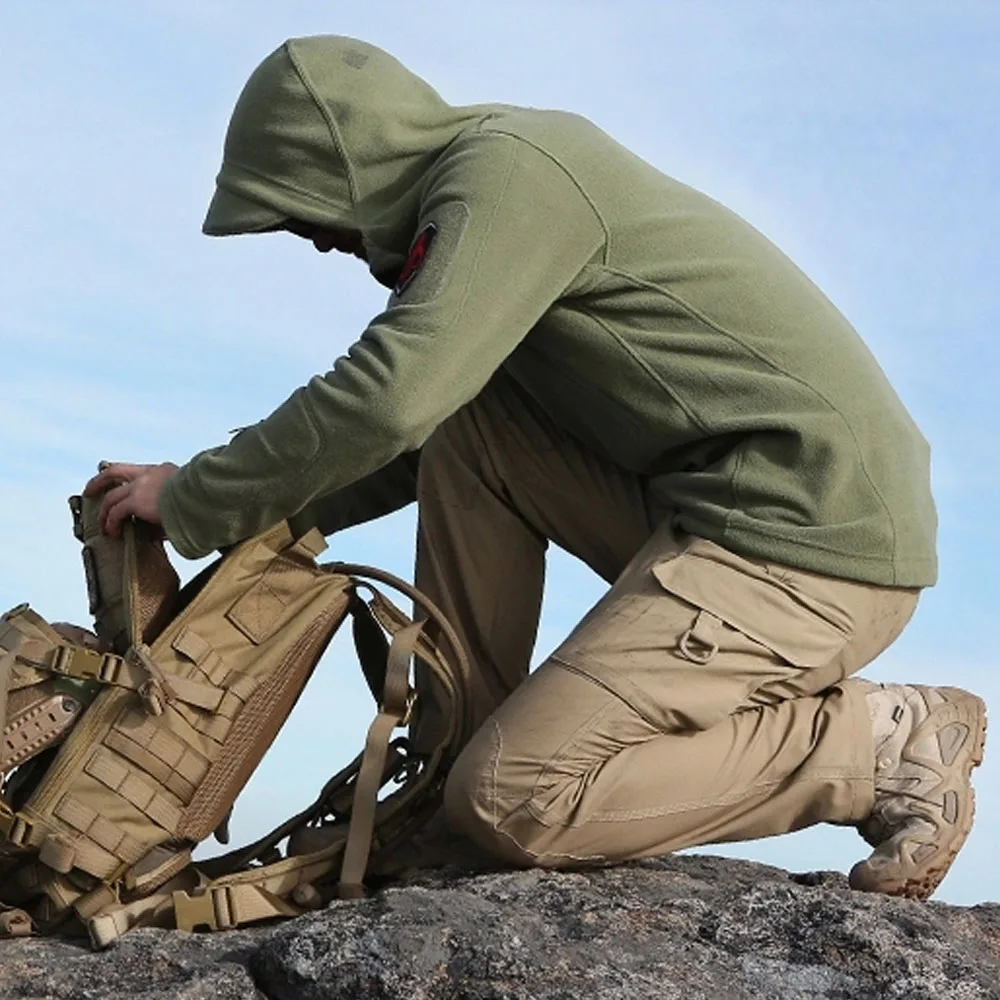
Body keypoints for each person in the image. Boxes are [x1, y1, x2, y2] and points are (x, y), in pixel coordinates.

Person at [85, 35, 985, 900]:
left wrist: (202, 492)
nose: (316, 242)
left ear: (350, 167)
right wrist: (222, 519)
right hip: (722, 513)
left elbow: (389, 395)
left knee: (517, 800)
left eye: (301, 212)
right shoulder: (490, 182)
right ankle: (445, 790)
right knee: (470, 423)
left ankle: (882, 743)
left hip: (811, 543)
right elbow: (419, 430)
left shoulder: (511, 174)